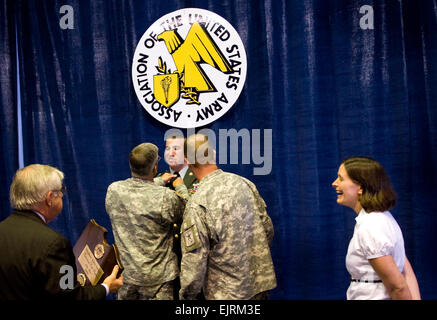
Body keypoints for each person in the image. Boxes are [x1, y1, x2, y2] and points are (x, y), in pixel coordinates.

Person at [0, 164, 123, 300]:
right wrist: (106, 287)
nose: (62, 196)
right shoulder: (55, 245)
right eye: (60, 191)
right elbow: (71, 297)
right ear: (49, 199)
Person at [179, 134, 277, 300]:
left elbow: (194, 262)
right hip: (259, 286)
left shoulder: (198, 203)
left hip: (227, 295)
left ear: (187, 162)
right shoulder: (245, 184)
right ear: (214, 154)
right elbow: (267, 230)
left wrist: (186, 296)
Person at [105, 142, 187, 300]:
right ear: (155, 167)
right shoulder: (165, 197)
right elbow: (189, 208)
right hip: (158, 283)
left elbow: (138, 189)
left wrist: (158, 181)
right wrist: (180, 187)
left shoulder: (114, 190)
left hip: (127, 278)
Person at [332, 156, 421, 300]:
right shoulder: (381, 218)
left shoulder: (371, 225)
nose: (334, 183)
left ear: (360, 187)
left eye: (341, 179)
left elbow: (397, 287)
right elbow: (404, 268)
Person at [154, 134, 198, 299]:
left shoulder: (198, 176)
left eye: (176, 148)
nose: (170, 153)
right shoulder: (157, 179)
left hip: (191, 252)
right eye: (167, 148)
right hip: (165, 257)